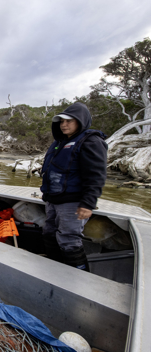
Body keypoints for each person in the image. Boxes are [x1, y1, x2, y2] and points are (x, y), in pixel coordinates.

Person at [40, 102, 108, 271]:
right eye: (61, 121)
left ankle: (79, 277)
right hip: (53, 200)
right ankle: (55, 269)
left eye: (69, 121)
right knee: (49, 234)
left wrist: (88, 203)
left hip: (73, 202)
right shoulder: (60, 142)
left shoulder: (90, 141)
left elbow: (96, 174)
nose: (64, 124)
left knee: (69, 240)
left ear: (81, 121)